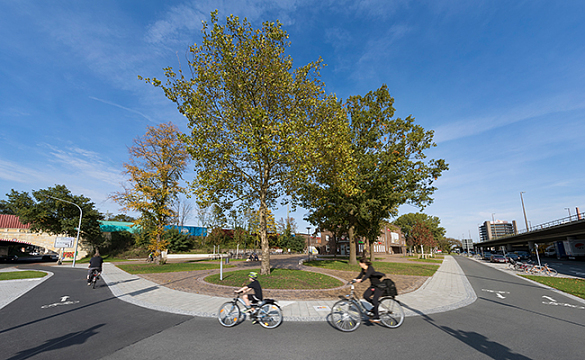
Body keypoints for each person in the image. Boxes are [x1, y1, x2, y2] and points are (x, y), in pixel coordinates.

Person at [354, 257, 385, 323]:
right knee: (365, 296)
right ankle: (375, 306)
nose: (359, 264)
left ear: (363, 263)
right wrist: (353, 280)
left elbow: (367, 276)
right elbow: (360, 275)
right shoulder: (363, 269)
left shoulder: (370, 268)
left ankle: (377, 317)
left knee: (374, 299)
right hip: (373, 286)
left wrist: (361, 280)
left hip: (379, 286)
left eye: (360, 262)